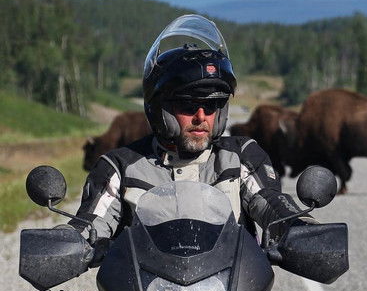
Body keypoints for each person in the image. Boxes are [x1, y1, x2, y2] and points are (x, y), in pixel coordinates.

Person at [67, 14, 310, 261]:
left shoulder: (240, 158)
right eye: (187, 105)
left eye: (213, 104)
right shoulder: (120, 167)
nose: (201, 116)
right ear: (159, 109)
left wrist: (301, 230)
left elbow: (272, 204)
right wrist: (64, 243)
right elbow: (90, 223)